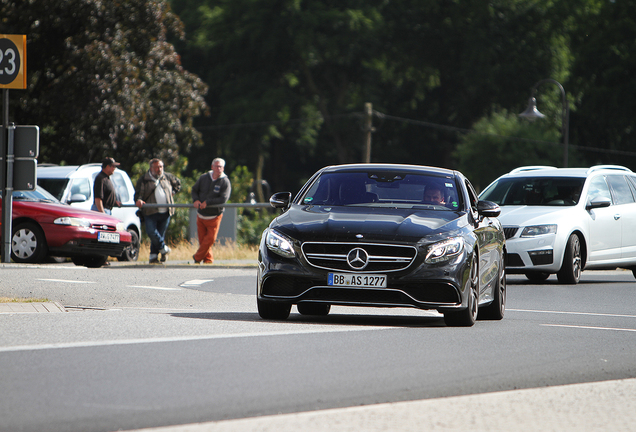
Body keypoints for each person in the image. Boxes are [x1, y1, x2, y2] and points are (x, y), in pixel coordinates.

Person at [135, 158, 182, 263]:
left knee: (160, 235)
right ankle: (164, 249)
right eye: (157, 167)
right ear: (151, 168)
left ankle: (154, 256)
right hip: (150, 212)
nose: (159, 169)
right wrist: (139, 201)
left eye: (161, 167)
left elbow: (178, 184)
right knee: (151, 232)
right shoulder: (144, 179)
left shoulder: (168, 177)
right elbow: (138, 195)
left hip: (166, 212)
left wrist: (173, 192)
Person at [191, 158, 231, 264]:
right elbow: (194, 190)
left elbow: (223, 199)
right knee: (203, 240)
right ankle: (208, 260)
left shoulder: (225, 181)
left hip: (214, 215)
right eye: (217, 166)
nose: (219, 169)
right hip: (201, 215)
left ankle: (197, 258)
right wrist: (196, 200)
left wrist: (207, 202)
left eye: (221, 167)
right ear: (212, 167)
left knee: (210, 239)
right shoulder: (204, 177)